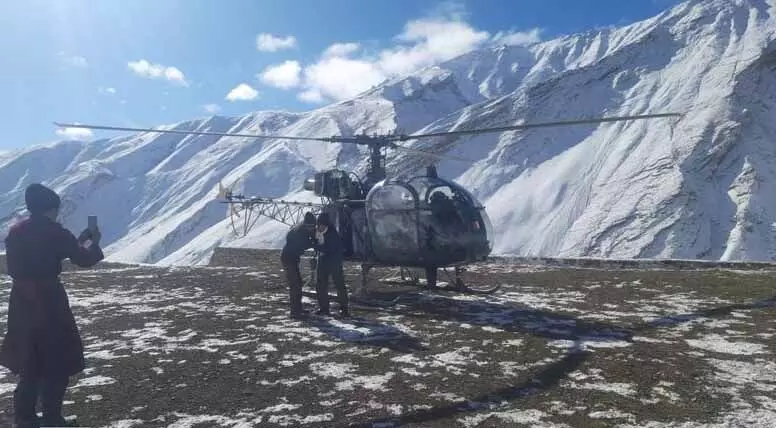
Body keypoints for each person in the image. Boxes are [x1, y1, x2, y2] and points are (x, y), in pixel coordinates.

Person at [0, 183, 104, 428]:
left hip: (21, 301)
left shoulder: (15, 232)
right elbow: (83, 259)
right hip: (50, 300)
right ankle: (52, 418)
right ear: (50, 208)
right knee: (56, 357)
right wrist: (93, 242)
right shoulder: (56, 232)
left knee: (30, 357)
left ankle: (24, 418)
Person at [280, 212, 316, 319]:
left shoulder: (304, 229)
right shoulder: (298, 232)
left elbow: (311, 236)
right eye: (309, 226)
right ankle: (295, 312)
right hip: (288, 258)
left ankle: (298, 308)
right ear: (305, 225)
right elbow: (303, 244)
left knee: (298, 284)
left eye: (313, 226)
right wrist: (313, 243)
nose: (311, 228)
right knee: (295, 285)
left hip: (293, 258)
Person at [313, 213, 349, 317]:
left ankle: (344, 309)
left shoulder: (333, 234)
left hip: (334, 261)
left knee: (339, 284)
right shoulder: (318, 232)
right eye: (318, 225)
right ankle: (324, 308)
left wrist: (315, 246)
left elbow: (329, 249)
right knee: (320, 284)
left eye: (320, 225)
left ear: (325, 225)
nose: (319, 227)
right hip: (323, 259)